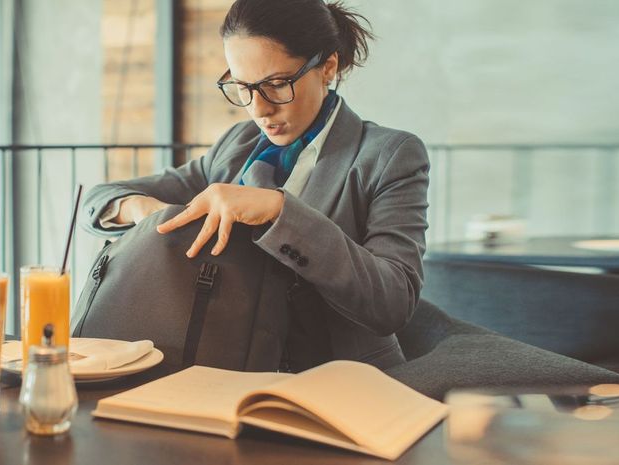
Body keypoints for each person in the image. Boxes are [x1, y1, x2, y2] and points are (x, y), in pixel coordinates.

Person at [80, 0, 429, 372]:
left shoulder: (389, 155)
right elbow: (101, 198)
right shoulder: (238, 145)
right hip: (226, 366)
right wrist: (144, 212)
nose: (259, 108)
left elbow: (394, 301)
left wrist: (281, 212)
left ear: (328, 67)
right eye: (242, 87)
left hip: (336, 377)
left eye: (277, 85)